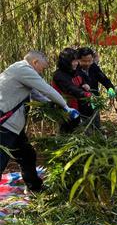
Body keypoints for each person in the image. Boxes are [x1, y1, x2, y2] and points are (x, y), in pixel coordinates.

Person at [0, 51, 79, 193]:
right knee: (1, 160)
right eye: (43, 66)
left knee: (27, 154)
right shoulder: (23, 69)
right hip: (5, 125)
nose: (44, 69)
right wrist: (66, 107)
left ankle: (35, 188)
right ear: (35, 62)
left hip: (13, 126)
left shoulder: (20, 72)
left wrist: (52, 104)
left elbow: (36, 94)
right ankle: (35, 187)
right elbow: (47, 89)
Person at [52, 48, 93, 133]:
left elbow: (80, 81)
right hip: (66, 111)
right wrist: (85, 94)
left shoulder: (74, 71)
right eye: (73, 61)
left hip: (78, 109)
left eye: (76, 61)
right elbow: (70, 88)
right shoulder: (59, 75)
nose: (76, 63)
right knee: (67, 134)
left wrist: (85, 85)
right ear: (66, 62)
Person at [77, 47, 117, 129]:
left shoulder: (94, 67)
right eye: (84, 61)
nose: (87, 64)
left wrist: (110, 88)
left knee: (96, 127)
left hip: (95, 102)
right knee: (83, 128)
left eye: (90, 61)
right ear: (78, 60)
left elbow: (104, 79)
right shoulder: (75, 70)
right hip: (80, 105)